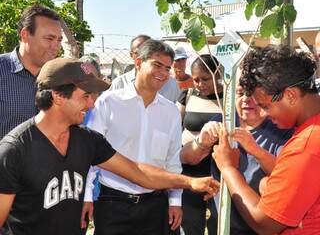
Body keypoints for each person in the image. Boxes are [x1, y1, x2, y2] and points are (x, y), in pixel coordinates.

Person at [0, 57, 220, 235]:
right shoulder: (14, 151)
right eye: (85, 96)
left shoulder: (87, 140)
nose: (92, 104)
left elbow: (137, 171)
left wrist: (189, 182)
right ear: (58, 96)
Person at [213, 45, 320, 234]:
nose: (264, 113)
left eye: (266, 106)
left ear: (291, 96)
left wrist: (228, 168)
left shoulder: (306, 146)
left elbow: (264, 223)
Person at [81, 39, 183, 235]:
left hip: (156, 205)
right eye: (157, 65)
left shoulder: (171, 112)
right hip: (113, 205)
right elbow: (91, 155)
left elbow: (172, 159)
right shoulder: (108, 103)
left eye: (167, 68)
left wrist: (175, 200)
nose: (163, 73)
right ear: (138, 63)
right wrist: (86, 196)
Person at [182, 78, 293, 234]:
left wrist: (256, 150)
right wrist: (201, 142)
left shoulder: (281, 128)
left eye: (253, 94)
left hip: (258, 225)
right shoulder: (224, 121)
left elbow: (288, 178)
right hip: (220, 223)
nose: (247, 100)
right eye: (240, 93)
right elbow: (185, 158)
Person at [175, 54, 223, 235]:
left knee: (216, 225)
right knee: (190, 225)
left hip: (216, 173)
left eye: (205, 79)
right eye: (195, 79)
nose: (200, 84)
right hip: (188, 172)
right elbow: (174, 130)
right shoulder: (187, 96)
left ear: (217, 74)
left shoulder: (227, 99)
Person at [0, 4, 63, 139]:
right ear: (25, 35)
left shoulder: (61, 77)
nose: (55, 47)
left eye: (59, 40)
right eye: (49, 38)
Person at [109, 34, 181, 102]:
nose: (142, 55)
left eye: (167, 69)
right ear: (133, 56)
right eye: (139, 52)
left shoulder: (171, 84)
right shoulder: (119, 84)